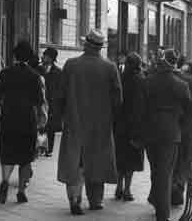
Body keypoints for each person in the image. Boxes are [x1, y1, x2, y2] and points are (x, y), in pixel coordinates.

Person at [57, 29, 122, 215]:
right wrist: (112, 120)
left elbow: (60, 95)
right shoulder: (110, 67)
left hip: (75, 120)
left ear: (86, 45)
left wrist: (60, 117)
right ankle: (96, 200)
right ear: (101, 48)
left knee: (74, 161)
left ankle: (74, 199)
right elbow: (118, 99)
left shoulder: (71, 65)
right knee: (97, 160)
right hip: (101, 124)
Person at [0, 40, 46, 204]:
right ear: (29, 57)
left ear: (14, 55)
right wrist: (42, 123)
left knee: (7, 153)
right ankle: (21, 191)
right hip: (27, 120)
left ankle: (5, 180)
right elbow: (39, 101)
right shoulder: (35, 76)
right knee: (25, 158)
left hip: (8, 119)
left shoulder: (5, 73)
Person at [138, 48, 192, 221]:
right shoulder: (181, 85)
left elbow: (140, 110)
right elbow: (189, 112)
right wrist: (179, 126)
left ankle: (157, 201)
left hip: (150, 132)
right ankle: (163, 213)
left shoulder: (148, 82)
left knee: (156, 170)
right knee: (165, 172)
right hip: (171, 133)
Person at [114, 52, 145, 202]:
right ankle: (127, 190)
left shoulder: (120, 77)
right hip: (134, 126)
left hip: (120, 125)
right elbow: (141, 106)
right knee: (131, 161)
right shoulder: (140, 80)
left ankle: (118, 187)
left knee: (120, 158)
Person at [171, 59, 192, 206]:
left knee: (174, 162)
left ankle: (173, 189)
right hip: (187, 128)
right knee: (184, 161)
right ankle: (179, 189)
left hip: (175, 126)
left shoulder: (177, 81)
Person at [41, 47, 62, 157]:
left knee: (51, 127)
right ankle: (40, 146)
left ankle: (49, 149)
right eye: (43, 55)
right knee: (40, 125)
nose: (43, 57)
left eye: (46, 56)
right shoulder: (38, 69)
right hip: (41, 102)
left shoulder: (58, 72)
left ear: (51, 58)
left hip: (52, 104)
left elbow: (60, 89)